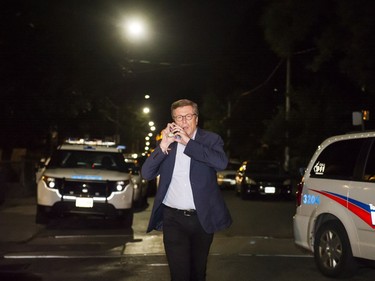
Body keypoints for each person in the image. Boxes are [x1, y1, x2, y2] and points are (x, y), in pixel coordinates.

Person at [141, 99, 232, 281]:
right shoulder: (169, 143)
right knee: (179, 275)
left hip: (202, 218)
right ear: (173, 121)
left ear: (196, 119)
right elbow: (146, 173)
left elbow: (221, 163)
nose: (183, 121)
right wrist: (163, 144)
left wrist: (188, 143)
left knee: (197, 273)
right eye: (178, 117)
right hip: (173, 219)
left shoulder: (211, 140)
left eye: (188, 116)